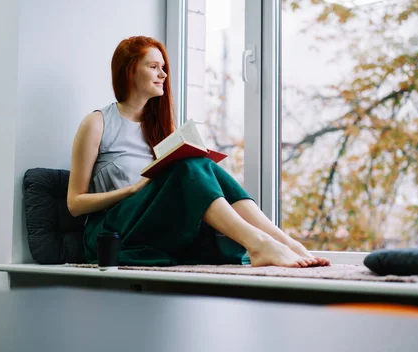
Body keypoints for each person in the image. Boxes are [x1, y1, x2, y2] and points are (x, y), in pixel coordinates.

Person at [67, 35, 330, 268]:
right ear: (130, 71)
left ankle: (283, 241)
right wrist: (133, 189)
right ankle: (258, 243)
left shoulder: (159, 127)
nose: (163, 75)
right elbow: (74, 204)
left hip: (151, 221)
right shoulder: (97, 123)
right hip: (112, 230)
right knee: (189, 164)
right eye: (154, 67)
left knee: (202, 164)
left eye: (164, 68)